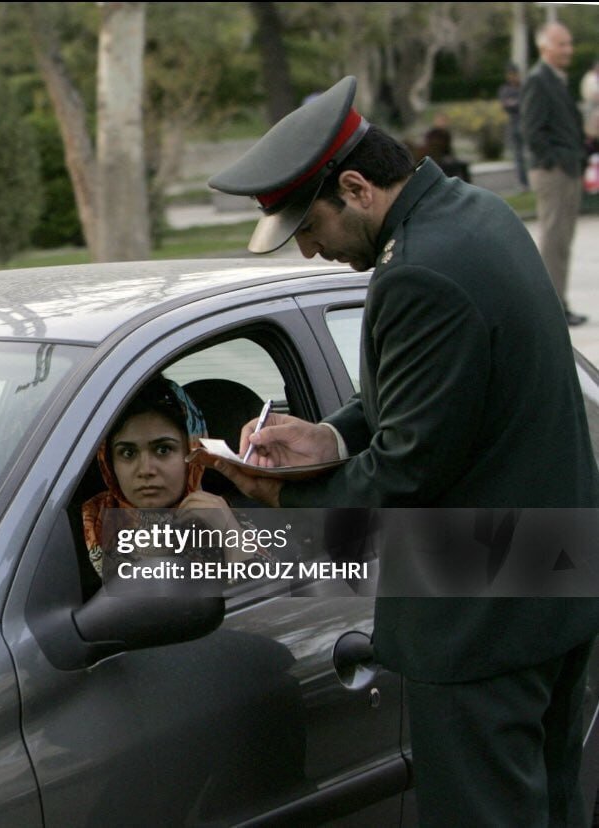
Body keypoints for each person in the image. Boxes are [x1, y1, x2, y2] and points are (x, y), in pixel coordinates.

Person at [207, 76, 599, 826]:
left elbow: (408, 474)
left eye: (310, 228)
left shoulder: (416, 272)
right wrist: (330, 434)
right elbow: (442, 393)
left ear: (355, 187)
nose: (312, 251)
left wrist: (279, 494)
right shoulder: (474, 215)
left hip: (481, 624)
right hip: (550, 588)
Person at [81, 376, 249, 578]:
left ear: (193, 452)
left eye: (163, 449)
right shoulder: (80, 528)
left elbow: (270, 602)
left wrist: (230, 536)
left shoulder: (223, 517)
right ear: (109, 463)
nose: (146, 470)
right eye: (127, 453)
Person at [522, 21, 588, 326]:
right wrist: (555, 161)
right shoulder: (538, 80)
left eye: (569, 44)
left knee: (562, 241)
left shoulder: (556, 79)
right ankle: (552, 310)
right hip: (555, 172)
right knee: (554, 239)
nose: (568, 50)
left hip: (568, 168)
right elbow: (532, 130)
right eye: (562, 44)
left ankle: (559, 303)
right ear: (544, 47)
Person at [500, 63, 530, 189]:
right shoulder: (505, 90)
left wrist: (515, 103)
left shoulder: (524, 88)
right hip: (514, 124)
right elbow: (507, 105)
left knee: (529, 153)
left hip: (526, 124)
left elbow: (526, 103)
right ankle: (523, 182)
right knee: (518, 156)